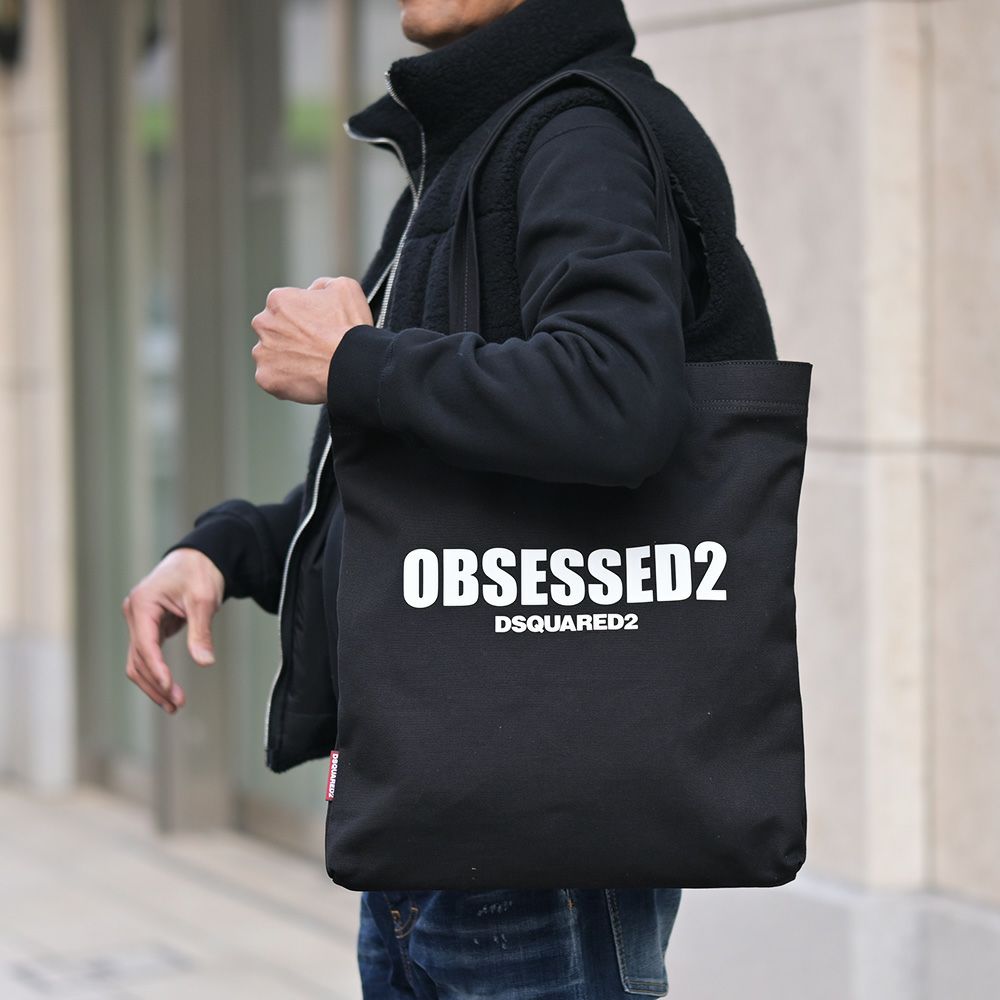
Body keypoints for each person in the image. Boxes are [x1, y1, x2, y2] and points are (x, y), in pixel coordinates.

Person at [122, 0, 778, 995]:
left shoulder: (577, 133)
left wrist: (355, 362)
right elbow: (419, 490)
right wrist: (226, 548)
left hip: (541, 831)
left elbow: (619, 398)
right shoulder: (473, 145)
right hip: (446, 809)